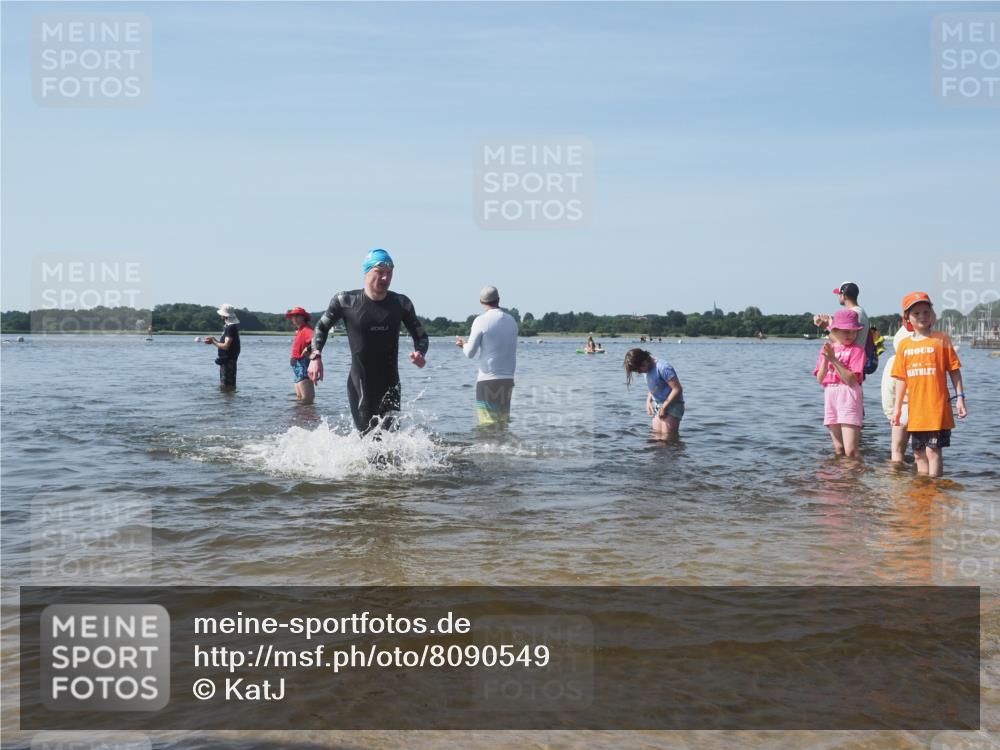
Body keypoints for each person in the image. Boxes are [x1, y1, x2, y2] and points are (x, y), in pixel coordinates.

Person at [308, 249, 428, 434]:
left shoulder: (401, 303)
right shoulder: (345, 301)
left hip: (391, 383)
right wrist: (315, 356)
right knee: (368, 436)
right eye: (379, 272)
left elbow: (421, 336)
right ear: (367, 272)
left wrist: (420, 352)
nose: (385, 278)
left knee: (390, 440)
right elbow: (321, 327)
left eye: (389, 273)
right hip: (360, 383)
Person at [891, 292, 967, 477]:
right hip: (916, 410)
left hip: (937, 408)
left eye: (926, 311)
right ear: (907, 318)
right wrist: (897, 408)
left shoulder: (941, 340)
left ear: (932, 314)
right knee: (918, 454)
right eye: (916, 313)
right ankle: (923, 493)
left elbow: (954, 370)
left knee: (933, 452)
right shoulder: (904, 345)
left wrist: (960, 398)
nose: (922, 316)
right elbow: (901, 379)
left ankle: (935, 490)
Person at [456, 285, 518, 427]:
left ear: (481, 301)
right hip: (508, 380)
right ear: (499, 300)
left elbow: (470, 353)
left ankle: (488, 450)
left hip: (488, 381)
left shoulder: (481, 321)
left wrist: (463, 344)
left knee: (487, 426)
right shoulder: (512, 321)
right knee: (502, 425)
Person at [813, 309, 866, 458]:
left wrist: (834, 360)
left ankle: (854, 478)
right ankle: (840, 479)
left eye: (854, 331)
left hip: (848, 395)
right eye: (846, 331)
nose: (851, 335)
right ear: (835, 330)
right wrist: (826, 358)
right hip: (831, 395)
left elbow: (850, 379)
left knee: (851, 450)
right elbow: (820, 379)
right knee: (839, 449)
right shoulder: (828, 349)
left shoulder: (857, 350)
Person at [624, 348, 685, 439]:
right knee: (656, 437)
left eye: (639, 370)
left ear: (644, 361)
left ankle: (677, 452)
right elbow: (655, 386)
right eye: (637, 371)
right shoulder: (646, 369)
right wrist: (648, 401)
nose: (639, 372)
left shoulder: (663, 367)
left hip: (673, 404)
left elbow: (677, 389)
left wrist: (665, 406)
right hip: (659, 404)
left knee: (667, 438)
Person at [881, 327, 911, 463]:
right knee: (922, 451)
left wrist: (890, 413)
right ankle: (921, 480)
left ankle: (896, 479)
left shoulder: (893, 360)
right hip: (923, 409)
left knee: (897, 450)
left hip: (902, 410)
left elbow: (887, 390)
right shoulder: (923, 358)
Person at [814, 282, 870, 350]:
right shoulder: (861, 312)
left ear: (844, 295)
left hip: (850, 358)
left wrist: (824, 327)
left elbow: (839, 342)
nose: (838, 296)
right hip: (857, 356)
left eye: (839, 294)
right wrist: (832, 323)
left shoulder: (853, 314)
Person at [203, 303, 241, 390]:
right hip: (227, 361)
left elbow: (226, 346)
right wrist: (214, 340)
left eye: (221, 314)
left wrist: (213, 341)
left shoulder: (230, 328)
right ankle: (227, 401)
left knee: (227, 386)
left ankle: (227, 402)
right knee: (226, 386)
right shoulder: (229, 327)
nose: (220, 316)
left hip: (228, 362)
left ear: (224, 316)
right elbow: (226, 345)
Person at [286, 306, 315, 404]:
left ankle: (308, 419)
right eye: (292, 316)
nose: (294, 318)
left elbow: (316, 339)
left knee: (307, 400)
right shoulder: (300, 330)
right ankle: (299, 418)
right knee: (300, 399)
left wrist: (309, 348)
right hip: (297, 365)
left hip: (304, 364)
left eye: (297, 316)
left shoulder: (307, 329)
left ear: (303, 317)